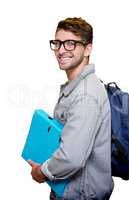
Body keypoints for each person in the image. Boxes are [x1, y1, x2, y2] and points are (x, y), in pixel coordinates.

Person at [28, 17, 114, 200]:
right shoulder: (77, 86)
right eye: (57, 43)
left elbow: (71, 158)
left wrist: (41, 171)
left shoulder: (85, 95)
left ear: (88, 48)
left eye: (70, 44)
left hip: (81, 195)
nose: (60, 50)